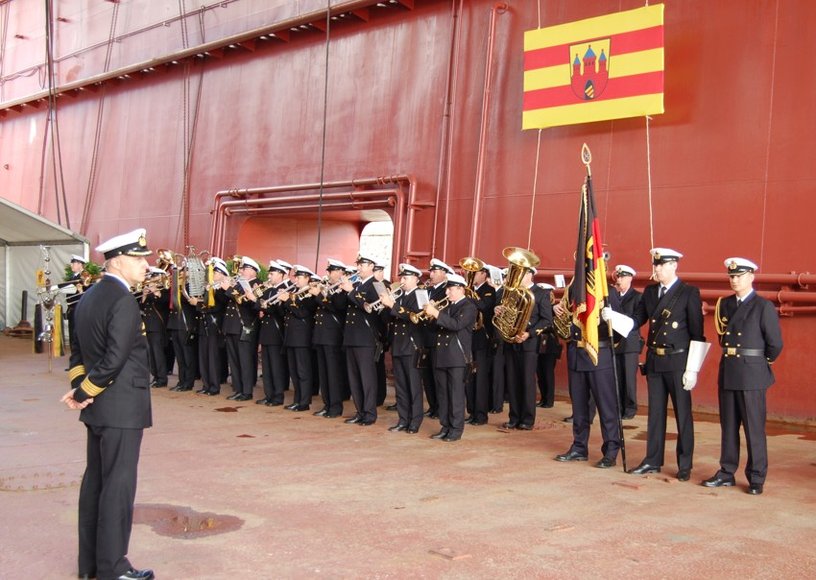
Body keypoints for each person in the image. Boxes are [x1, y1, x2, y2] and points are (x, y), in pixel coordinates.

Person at [61, 227, 155, 580]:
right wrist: (84, 393)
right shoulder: (122, 300)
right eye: (138, 259)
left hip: (98, 408)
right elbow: (116, 358)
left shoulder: (87, 298)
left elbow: (78, 354)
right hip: (121, 407)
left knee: (96, 485)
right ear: (117, 262)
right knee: (117, 487)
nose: (145, 266)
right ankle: (114, 568)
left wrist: (80, 391)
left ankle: (90, 566)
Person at [703, 257, 783, 495]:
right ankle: (726, 472)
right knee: (728, 426)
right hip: (729, 371)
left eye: (739, 276)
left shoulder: (763, 306)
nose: (735, 280)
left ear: (751, 277)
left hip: (752, 373)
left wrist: (759, 363)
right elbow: (722, 339)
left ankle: (757, 477)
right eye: (732, 276)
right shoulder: (725, 305)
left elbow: (775, 344)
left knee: (753, 428)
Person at [630, 248, 707, 481]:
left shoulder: (688, 293)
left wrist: (692, 368)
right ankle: (652, 460)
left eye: (662, 265)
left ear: (674, 265)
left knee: (683, 414)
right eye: (656, 265)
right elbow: (637, 320)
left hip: (678, 362)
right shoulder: (651, 292)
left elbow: (697, 334)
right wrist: (614, 318)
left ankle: (685, 464)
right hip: (655, 359)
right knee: (655, 414)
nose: (657, 269)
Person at [554, 289, 630, 468]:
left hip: (599, 355)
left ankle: (611, 450)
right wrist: (556, 310)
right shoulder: (573, 290)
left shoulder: (606, 291)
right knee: (579, 407)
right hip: (577, 353)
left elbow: (618, 329)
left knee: (606, 406)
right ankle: (579, 447)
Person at [496, 265, 553, 431]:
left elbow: (546, 320)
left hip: (528, 343)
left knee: (527, 381)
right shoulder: (512, 293)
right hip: (511, 341)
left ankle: (527, 419)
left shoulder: (541, 293)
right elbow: (506, 313)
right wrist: (498, 310)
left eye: (521, 273)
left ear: (530, 275)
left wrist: (530, 333)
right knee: (512, 380)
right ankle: (514, 417)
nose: (518, 277)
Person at [423, 273, 478, 441]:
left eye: (451, 289)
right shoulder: (447, 306)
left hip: (457, 358)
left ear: (461, 289)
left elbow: (456, 325)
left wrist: (437, 314)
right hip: (442, 356)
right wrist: (430, 315)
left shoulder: (468, 307)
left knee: (455, 394)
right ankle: (445, 425)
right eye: (447, 289)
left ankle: (455, 429)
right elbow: (435, 329)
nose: (447, 293)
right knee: (443, 394)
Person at [340, 253, 385, 426]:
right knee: (354, 378)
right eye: (358, 264)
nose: (358, 268)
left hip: (365, 338)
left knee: (367, 378)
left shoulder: (376, 285)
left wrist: (350, 291)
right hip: (351, 337)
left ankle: (369, 413)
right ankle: (360, 411)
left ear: (371, 267)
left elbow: (370, 309)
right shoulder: (357, 285)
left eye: (362, 265)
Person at [379, 263, 424, 433]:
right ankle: (403, 419)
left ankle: (415, 421)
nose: (402, 281)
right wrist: (385, 304)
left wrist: (393, 306)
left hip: (411, 346)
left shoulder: (421, 295)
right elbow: (387, 319)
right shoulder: (398, 296)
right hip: (398, 345)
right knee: (401, 387)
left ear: (416, 279)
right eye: (401, 277)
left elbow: (417, 317)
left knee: (413, 386)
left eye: (406, 278)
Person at [310, 258, 348, 417]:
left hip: (333, 336)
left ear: (340, 273)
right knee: (324, 373)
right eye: (330, 271)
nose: (330, 274)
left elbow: (337, 307)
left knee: (333, 374)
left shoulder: (342, 289)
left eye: (332, 271)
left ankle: (335, 407)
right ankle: (327, 404)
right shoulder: (328, 287)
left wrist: (319, 295)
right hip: (321, 335)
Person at [279, 265, 318, 411]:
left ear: (307, 279)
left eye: (300, 277)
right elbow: (285, 313)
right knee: (294, 372)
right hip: (291, 336)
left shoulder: (309, 294)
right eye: (296, 277)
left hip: (302, 337)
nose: (297, 280)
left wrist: (288, 301)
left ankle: (304, 402)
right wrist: (283, 300)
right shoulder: (294, 292)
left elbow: (302, 313)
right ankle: (297, 400)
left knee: (303, 371)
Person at [223, 256, 261, 401]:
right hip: (232, 326)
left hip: (245, 326)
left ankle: (246, 391)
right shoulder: (239, 283)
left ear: (253, 271)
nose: (241, 271)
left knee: (244, 360)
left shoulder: (257, 284)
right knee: (234, 360)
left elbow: (251, 304)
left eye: (244, 269)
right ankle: (238, 389)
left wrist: (229, 289)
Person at [190, 257, 230, 396]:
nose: (211, 275)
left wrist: (198, 304)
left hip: (214, 327)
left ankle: (214, 386)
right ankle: (206, 384)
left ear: (222, 274)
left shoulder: (221, 290)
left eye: (215, 273)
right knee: (204, 356)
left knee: (213, 358)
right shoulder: (210, 287)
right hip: (204, 325)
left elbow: (216, 307)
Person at [257, 260, 291, 406]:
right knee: (267, 367)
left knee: (276, 367)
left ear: (282, 275)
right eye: (270, 273)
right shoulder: (269, 289)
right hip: (266, 332)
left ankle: (277, 396)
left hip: (277, 332)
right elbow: (257, 306)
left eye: (272, 273)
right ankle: (268, 394)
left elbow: (280, 312)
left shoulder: (285, 289)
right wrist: (257, 299)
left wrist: (266, 305)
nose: (269, 276)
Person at [466, 262, 497, 425]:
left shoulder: (489, 291)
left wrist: (468, 295)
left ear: (484, 274)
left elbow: (484, 307)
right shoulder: (471, 291)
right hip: (469, 339)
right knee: (469, 377)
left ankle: (481, 414)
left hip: (482, 340)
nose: (470, 275)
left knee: (480, 379)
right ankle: (471, 411)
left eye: (474, 273)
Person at [613, 265, 643, 419]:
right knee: (617, 377)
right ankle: (618, 407)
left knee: (629, 378)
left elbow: (636, 320)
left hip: (629, 343)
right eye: (618, 277)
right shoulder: (613, 296)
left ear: (630, 278)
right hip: (615, 342)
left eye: (622, 277)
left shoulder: (637, 297)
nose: (619, 280)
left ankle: (630, 409)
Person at [139, 267, 169, 389]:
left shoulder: (165, 289)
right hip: (148, 324)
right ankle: (155, 376)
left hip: (157, 325)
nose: (151, 279)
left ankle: (162, 378)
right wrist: (144, 296)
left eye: (154, 276)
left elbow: (165, 304)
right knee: (151, 352)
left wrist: (157, 293)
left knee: (157, 352)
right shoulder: (148, 290)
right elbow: (142, 307)